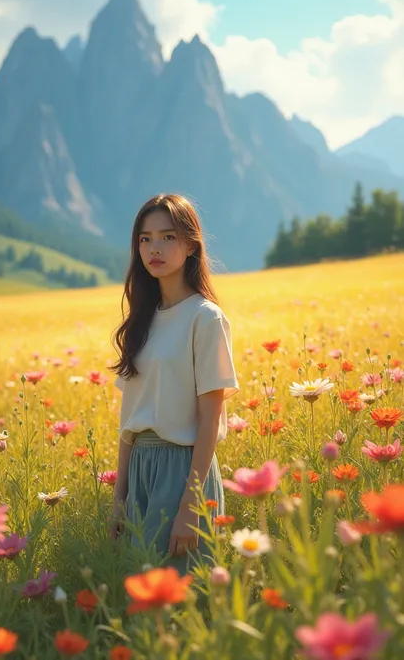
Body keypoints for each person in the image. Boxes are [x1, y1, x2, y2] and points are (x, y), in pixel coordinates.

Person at [108, 193, 239, 573]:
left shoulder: (205, 318)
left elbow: (210, 419)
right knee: (140, 600)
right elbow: (128, 420)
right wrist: (120, 498)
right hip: (140, 470)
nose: (155, 248)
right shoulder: (141, 322)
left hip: (183, 470)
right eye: (145, 239)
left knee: (182, 602)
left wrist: (191, 506)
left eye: (167, 237)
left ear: (190, 243)